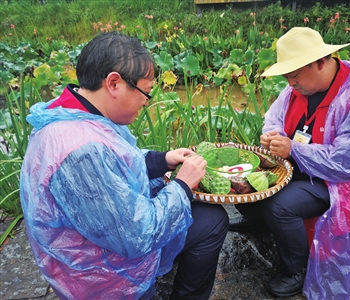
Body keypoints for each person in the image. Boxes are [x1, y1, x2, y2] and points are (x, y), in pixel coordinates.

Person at [19, 32, 229, 300]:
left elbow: (116, 164)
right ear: (114, 83)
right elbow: (138, 236)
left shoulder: (71, 114)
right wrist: (182, 185)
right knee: (212, 220)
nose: (145, 102)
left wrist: (162, 159)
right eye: (146, 92)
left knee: (204, 216)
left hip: (99, 244)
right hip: (103, 276)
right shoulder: (82, 151)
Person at [228, 27, 350, 299]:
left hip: (340, 183)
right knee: (241, 179)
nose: (289, 83)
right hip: (301, 164)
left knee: (280, 205)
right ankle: (260, 222)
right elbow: (275, 117)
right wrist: (274, 136)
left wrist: (293, 149)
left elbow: (347, 162)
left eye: (293, 75)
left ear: (320, 62)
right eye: (286, 76)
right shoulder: (298, 88)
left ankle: (295, 270)